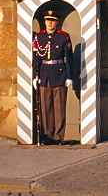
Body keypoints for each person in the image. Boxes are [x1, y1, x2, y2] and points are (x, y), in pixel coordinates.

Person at [32, 11, 74, 145]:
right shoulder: (39, 37)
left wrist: (69, 76)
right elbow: (36, 58)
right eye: (48, 21)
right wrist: (35, 75)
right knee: (46, 107)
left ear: (57, 22)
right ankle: (47, 135)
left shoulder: (63, 37)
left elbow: (69, 58)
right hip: (44, 74)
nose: (50, 23)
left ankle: (58, 136)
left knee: (59, 107)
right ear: (44, 22)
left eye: (53, 21)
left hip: (59, 73)